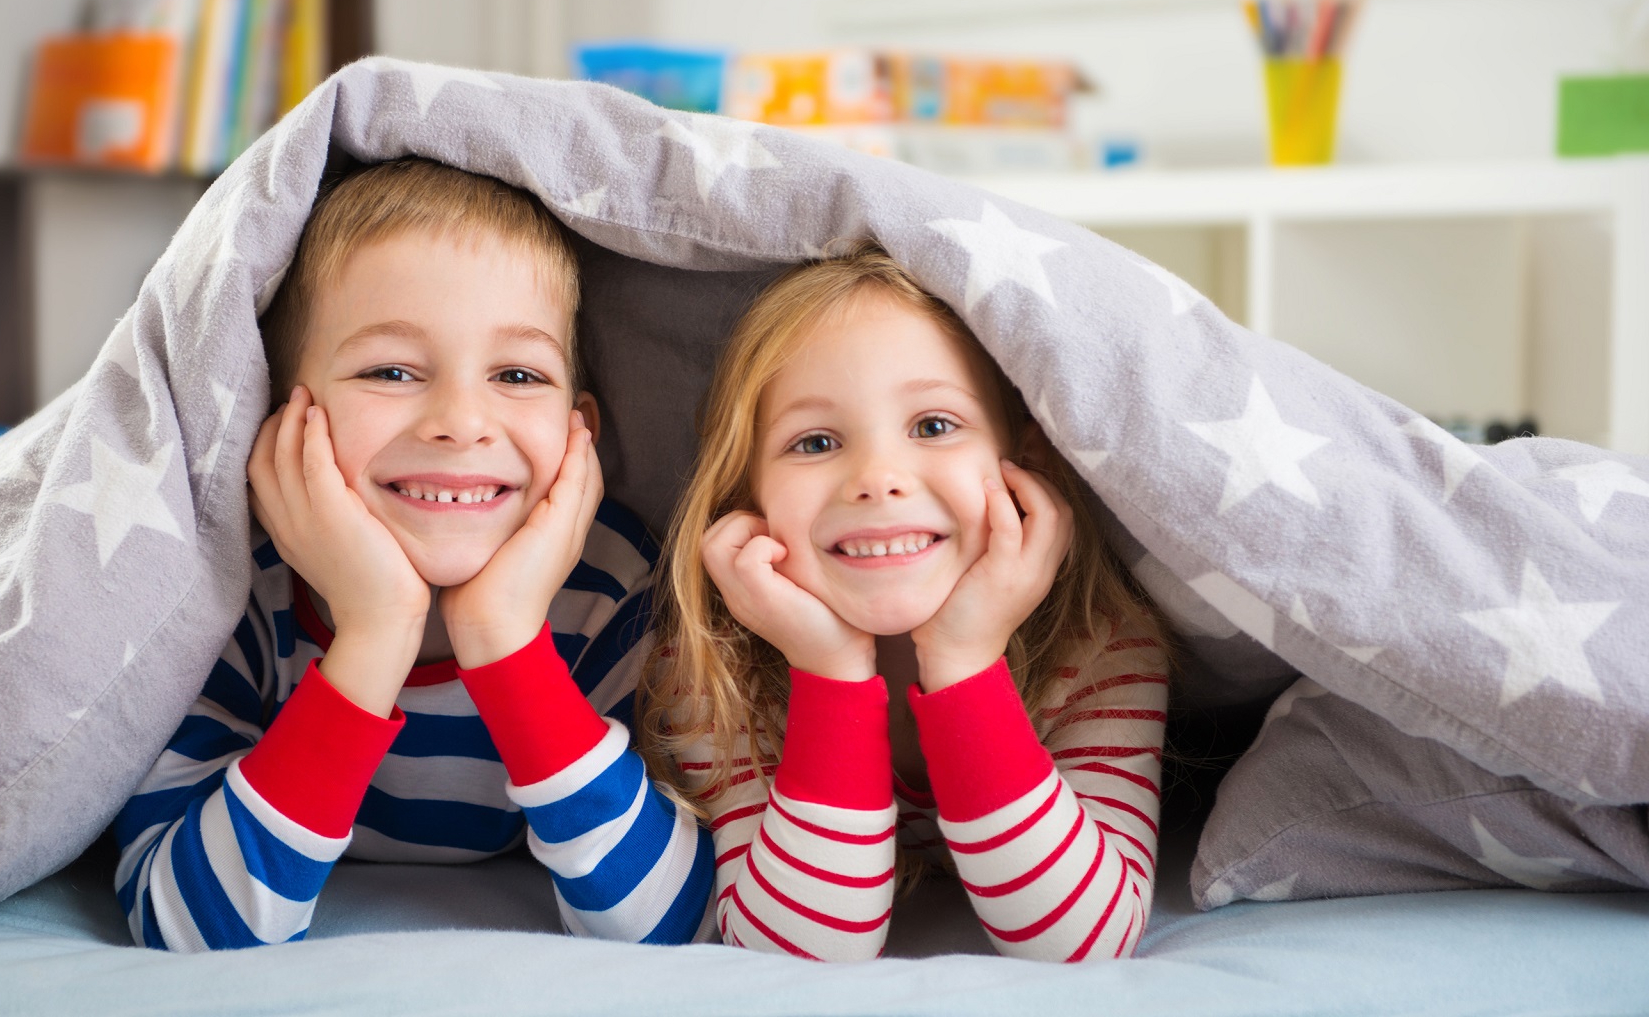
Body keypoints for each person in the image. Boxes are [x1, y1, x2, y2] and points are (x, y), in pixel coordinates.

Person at [113, 158, 713, 951]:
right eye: (391, 371)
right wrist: (374, 631)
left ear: (581, 435)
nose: (461, 423)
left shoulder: (619, 592)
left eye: (518, 373)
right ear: (284, 421)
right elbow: (186, 927)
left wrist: (505, 641)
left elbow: (675, 923)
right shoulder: (230, 591)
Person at [638, 242, 1169, 962]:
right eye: (816, 441)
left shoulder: (1100, 641)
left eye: (933, 426)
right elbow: (803, 952)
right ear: (747, 498)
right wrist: (828, 672)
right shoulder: (711, 666)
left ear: (1028, 462)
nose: (878, 478)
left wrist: (965, 660)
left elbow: (1084, 945)